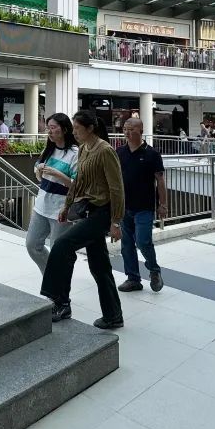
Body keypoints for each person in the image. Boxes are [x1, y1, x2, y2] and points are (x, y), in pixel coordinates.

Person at [40, 109, 125, 330]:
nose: (74, 132)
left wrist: (116, 222)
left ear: (90, 128)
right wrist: (67, 206)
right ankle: (113, 315)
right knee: (100, 267)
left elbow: (117, 189)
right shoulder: (84, 149)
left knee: (62, 245)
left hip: (102, 213)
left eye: (77, 128)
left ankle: (58, 299)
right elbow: (78, 182)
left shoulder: (105, 151)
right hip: (88, 210)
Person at [116, 117, 166, 292]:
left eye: (131, 130)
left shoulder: (152, 154)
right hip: (124, 206)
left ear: (141, 131)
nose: (127, 133)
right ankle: (133, 278)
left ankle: (154, 270)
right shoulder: (119, 152)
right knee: (127, 244)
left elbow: (160, 180)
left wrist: (163, 204)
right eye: (125, 129)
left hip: (144, 206)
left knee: (143, 241)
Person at [25, 113, 77, 274]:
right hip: (41, 205)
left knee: (58, 250)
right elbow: (37, 173)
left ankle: (57, 283)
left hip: (61, 209)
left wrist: (58, 174)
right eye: (48, 128)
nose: (49, 131)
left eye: (53, 128)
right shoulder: (48, 149)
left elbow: (77, 185)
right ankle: (50, 276)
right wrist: (39, 169)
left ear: (65, 129)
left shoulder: (75, 153)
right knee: (32, 245)